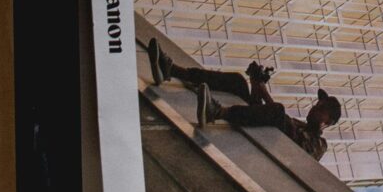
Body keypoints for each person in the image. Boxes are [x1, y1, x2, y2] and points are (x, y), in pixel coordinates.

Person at [145, 43, 343, 160]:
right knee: (238, 82)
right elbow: (264, 113)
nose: (315, 107)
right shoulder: (299, 123)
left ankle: (217, 112)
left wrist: (265, 94)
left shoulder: (320, 144)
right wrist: (256, 83)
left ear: (328, 122)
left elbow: (286, 137)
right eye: (318, 104)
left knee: (278, 111)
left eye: (322, 109)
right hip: (265, 135)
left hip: (268, 155)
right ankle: (173, 71)